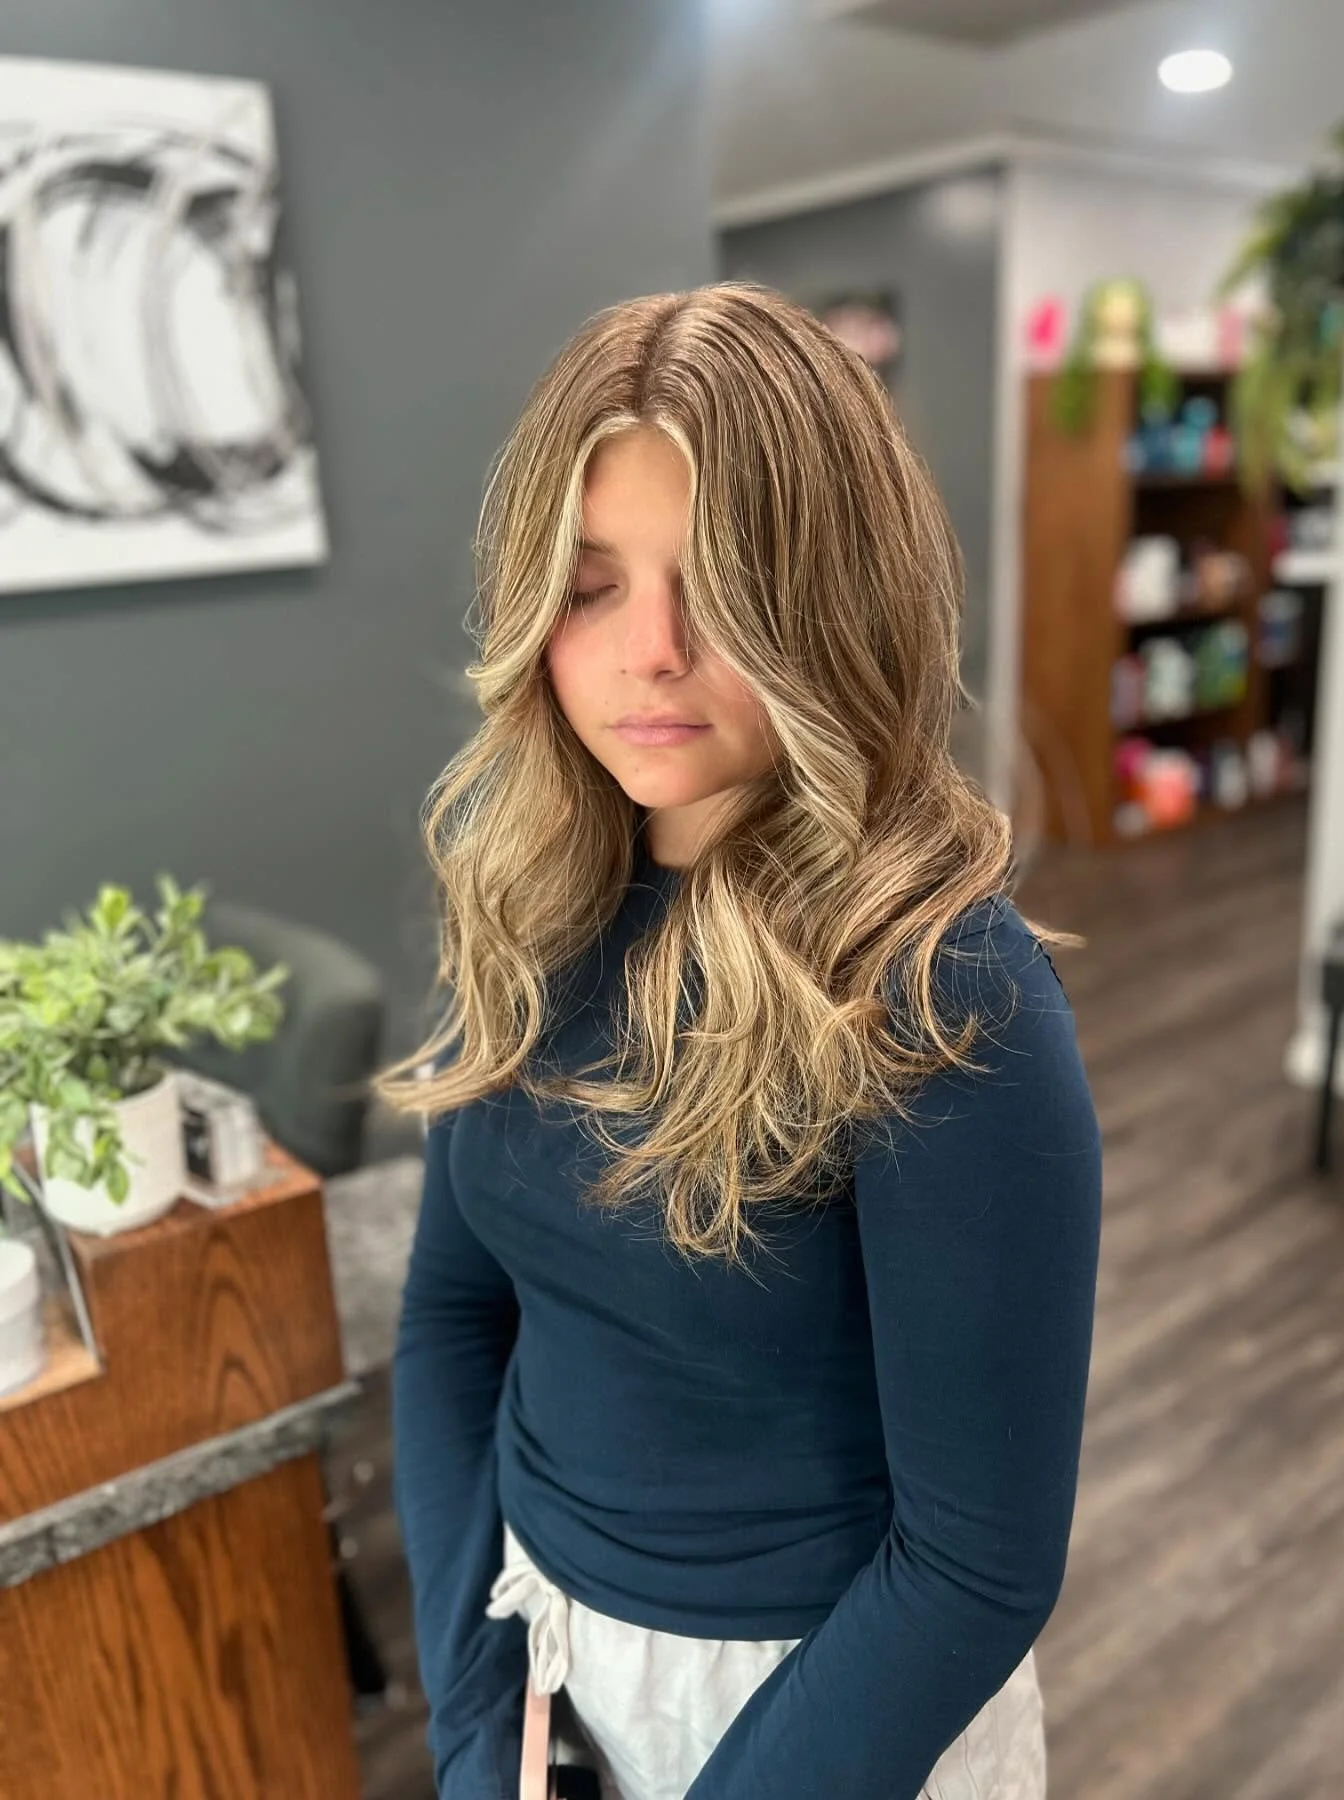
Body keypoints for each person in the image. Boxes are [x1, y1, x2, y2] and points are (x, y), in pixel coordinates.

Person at [373, 281, 1103, 1800]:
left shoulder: (944, 991)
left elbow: (973, 1567)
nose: (650, 652)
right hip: (555, 1673)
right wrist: (469, 1723)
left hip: (838, 1719)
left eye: (718, 582)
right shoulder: (527, 902)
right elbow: (454, 1319)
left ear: (832, 592)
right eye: (589, 586)